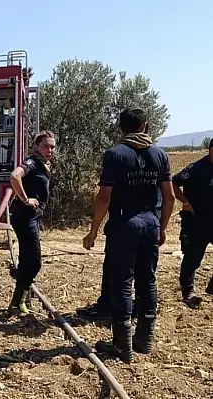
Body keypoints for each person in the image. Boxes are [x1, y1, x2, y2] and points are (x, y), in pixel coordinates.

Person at [82, 107, 174, 364]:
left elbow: (104, 197)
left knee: (122, 282)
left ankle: (122, 346)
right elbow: (169, 197)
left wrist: (93, 231)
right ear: (144, 126)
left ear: (121, 127)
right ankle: (144, 340)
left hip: (124, 224)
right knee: (148, 279)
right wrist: (162, 227)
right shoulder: (160, 154)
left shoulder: (115, 155)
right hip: (150, 223)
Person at [7, 130, 56, 316]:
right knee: (34, 262)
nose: (49, 150)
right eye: (45, 146)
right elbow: (14, 176)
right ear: (37, 146)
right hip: (25, 217)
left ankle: (20, 299)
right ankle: (17, 301)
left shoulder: (42, 164)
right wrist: (26, 199)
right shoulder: (32, 162)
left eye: (52, 147)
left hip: (32, 217)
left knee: (29, 260)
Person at [171, 139, 213, 308]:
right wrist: (185, 201)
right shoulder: (195, 169)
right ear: (211, 150)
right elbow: (173, 182)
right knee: (192, 258)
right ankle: (188, 292)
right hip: (198, 222)